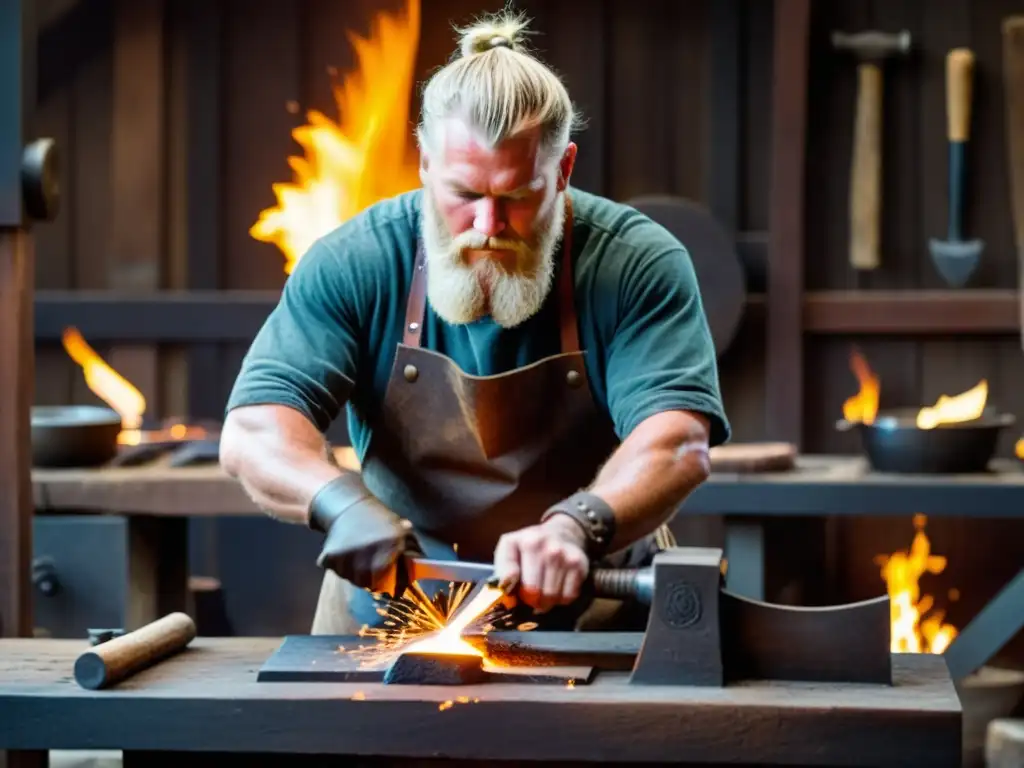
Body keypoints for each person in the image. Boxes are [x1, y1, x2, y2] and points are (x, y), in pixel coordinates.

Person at [219, 9, 731, 635]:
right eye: (464, 195)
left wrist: (578, 524)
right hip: (393, 607)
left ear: (564, 171)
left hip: (599, 600)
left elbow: (677, 440)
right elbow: (253, 432)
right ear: (425, 165)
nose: (488, 227)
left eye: (517, 197)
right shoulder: (357, 261)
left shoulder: (635, 263)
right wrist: (339, 502)